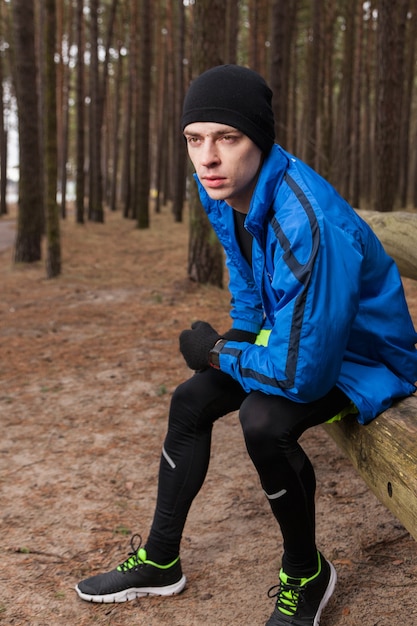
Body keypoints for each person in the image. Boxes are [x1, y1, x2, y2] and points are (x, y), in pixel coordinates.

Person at [75, 65, 417, 626]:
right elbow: (250, 286)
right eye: (194, 139)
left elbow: (304, 373)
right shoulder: (226, 190)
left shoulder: (306, 223)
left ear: (259, 139)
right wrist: (233, 341)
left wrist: (217, 352)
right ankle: (160, 561)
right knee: (190, 401)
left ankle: (307, 574)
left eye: (226, 138)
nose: (207, 157)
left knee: (263, 419)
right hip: (298, 337)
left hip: (365, 360)